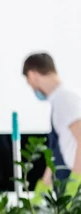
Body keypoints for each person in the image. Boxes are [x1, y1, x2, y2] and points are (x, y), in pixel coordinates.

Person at [22, 52, 81, 202]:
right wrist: (43, 187)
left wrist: (74, 184)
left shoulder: (65, 100)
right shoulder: (58, 102)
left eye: (29, 83)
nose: (32, 88)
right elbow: (57, 152)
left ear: (33, 74)